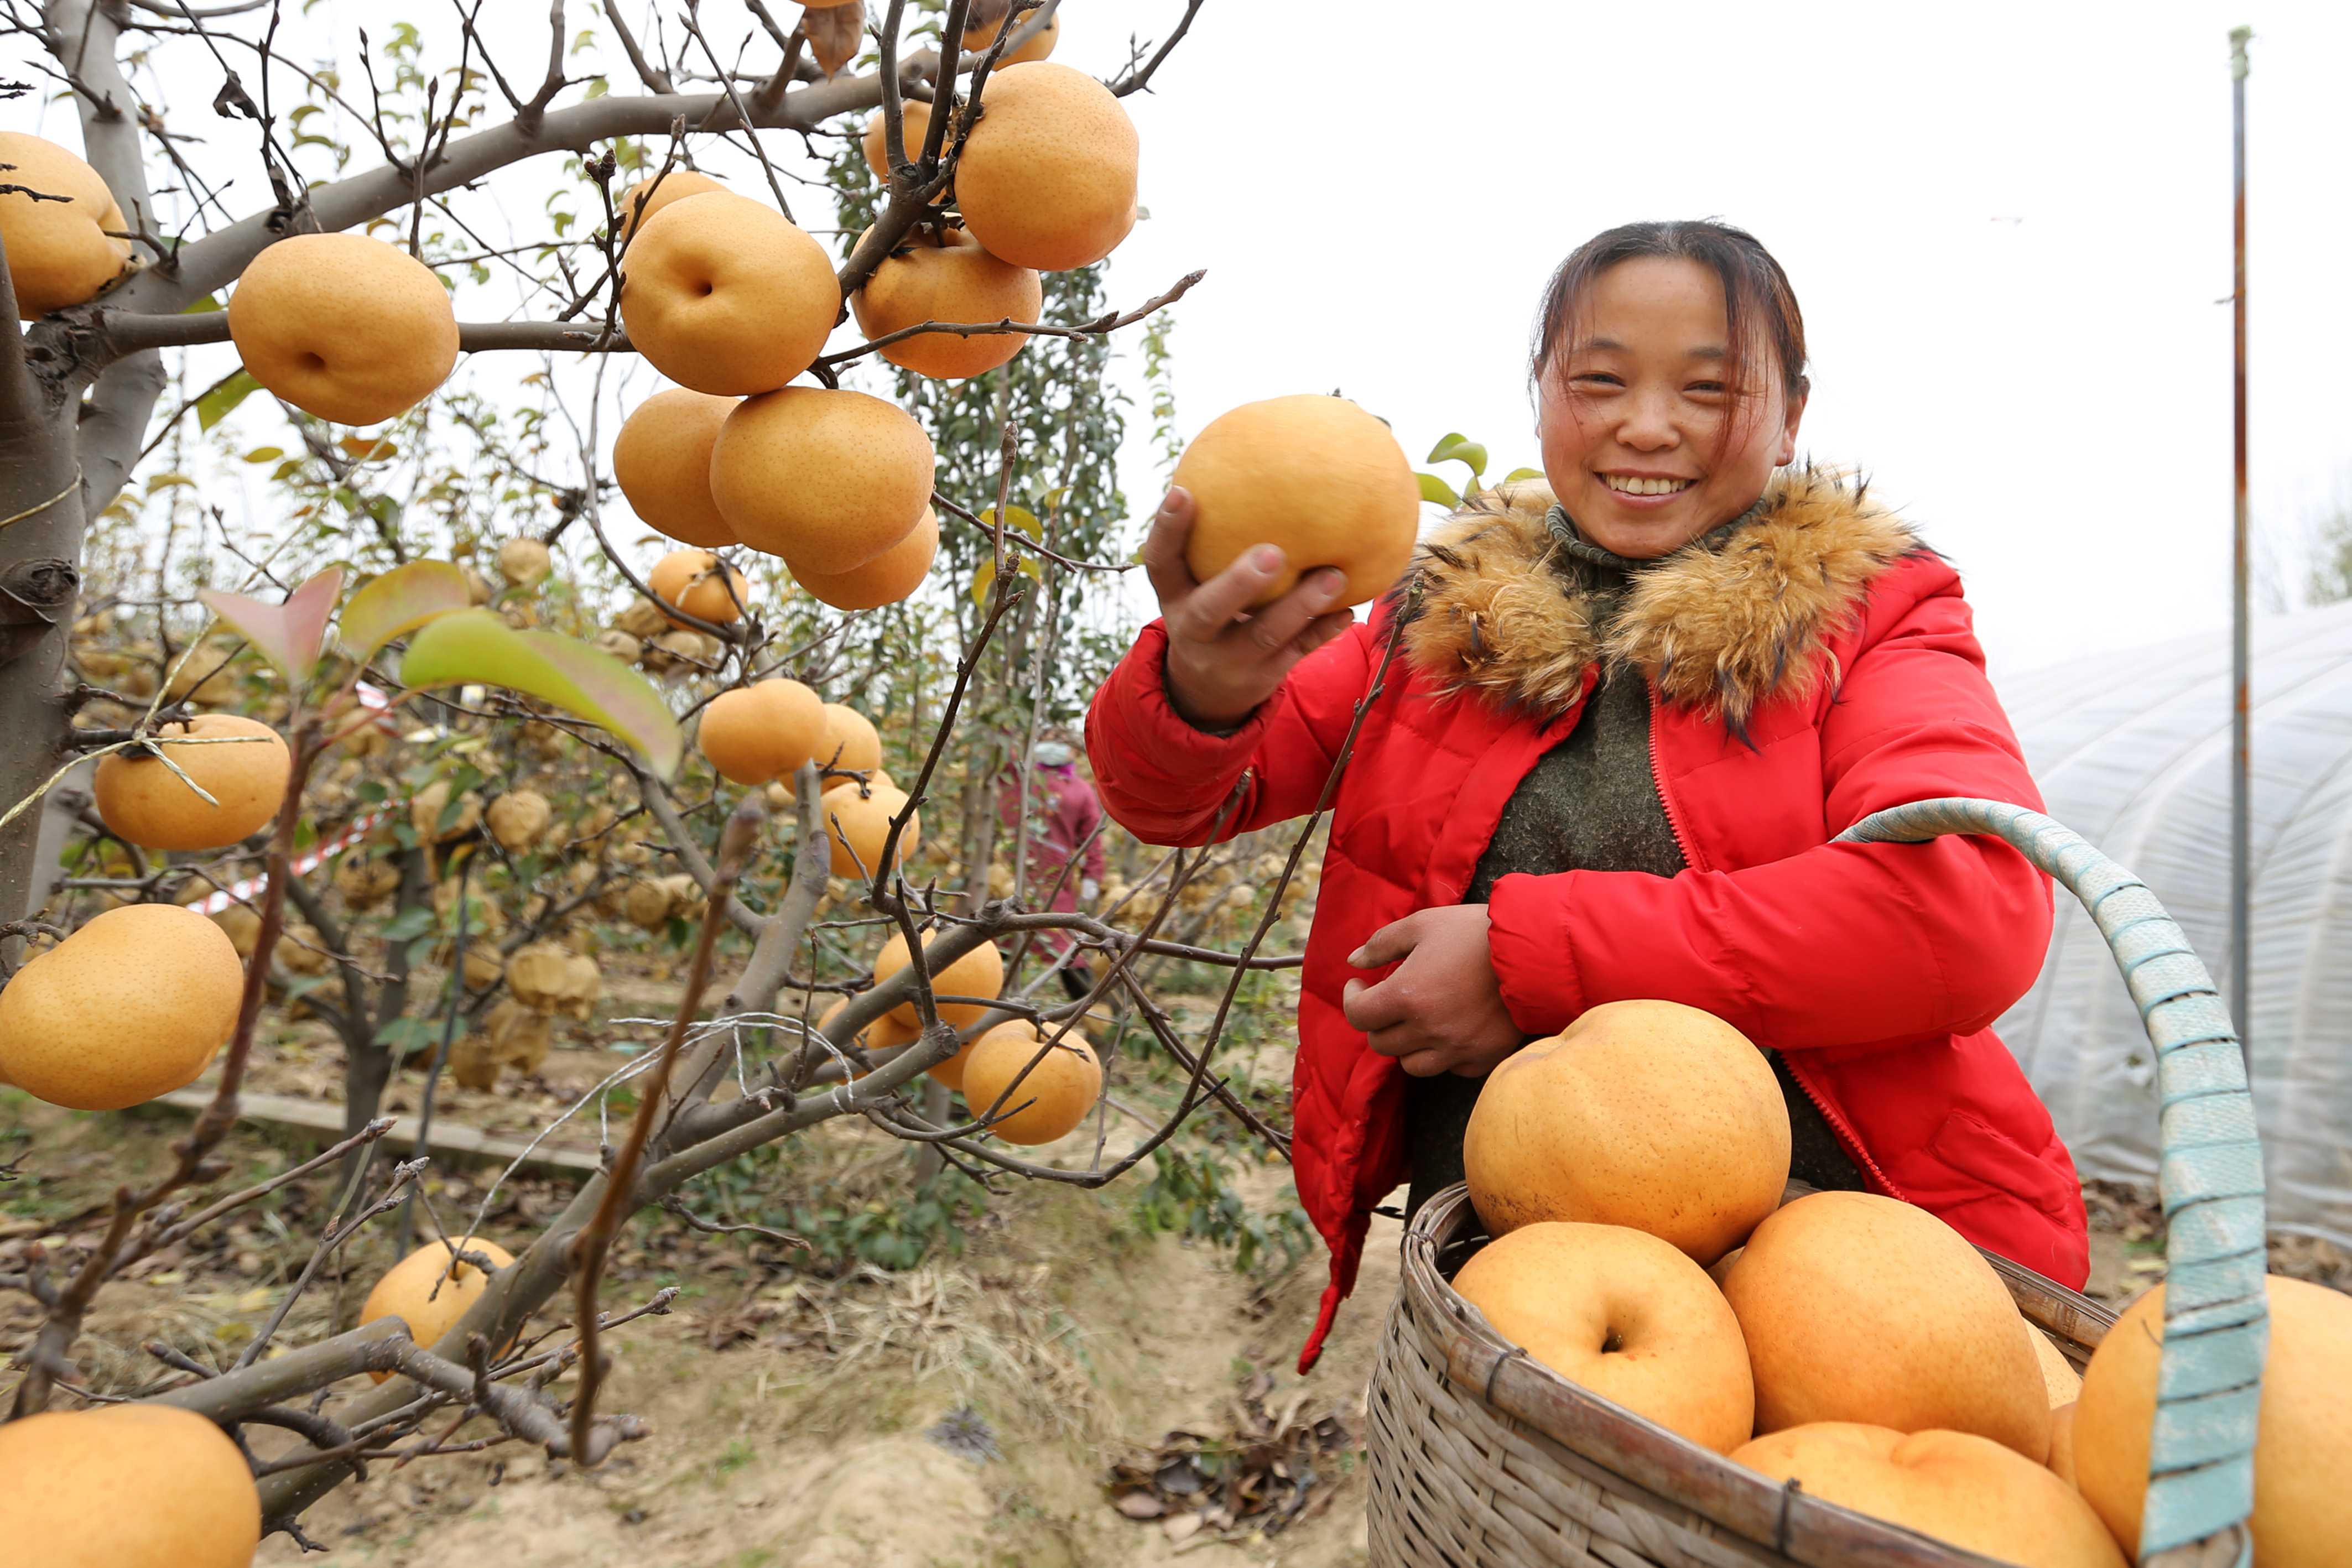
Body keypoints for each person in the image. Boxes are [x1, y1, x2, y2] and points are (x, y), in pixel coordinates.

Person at [1085, 220, 2087, 1374]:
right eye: (1598, 381)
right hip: (1523, 1291)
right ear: (1541, 397)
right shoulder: (1434, 622)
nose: (1644, 426)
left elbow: (1963, 910)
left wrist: (1527, 962)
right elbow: (1179, 797)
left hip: (1863, 1273)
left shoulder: (1871, 612)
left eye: (1707, 389)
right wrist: (1198, 687)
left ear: (1790, 414)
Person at [1001, 738, 1109, 1001]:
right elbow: (1002, 743)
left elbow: (1092, 836)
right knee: (1001, 937)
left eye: (1061, 742)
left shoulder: (1081, 790)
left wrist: (1092, 875)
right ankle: (991, 1000)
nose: (1054, 746)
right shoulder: (1019, 773)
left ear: (1075, 751)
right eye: (1050, 739)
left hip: (1054, 876)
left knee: (1062, 941)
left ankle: (1089, 1007)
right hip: (1009, 869)